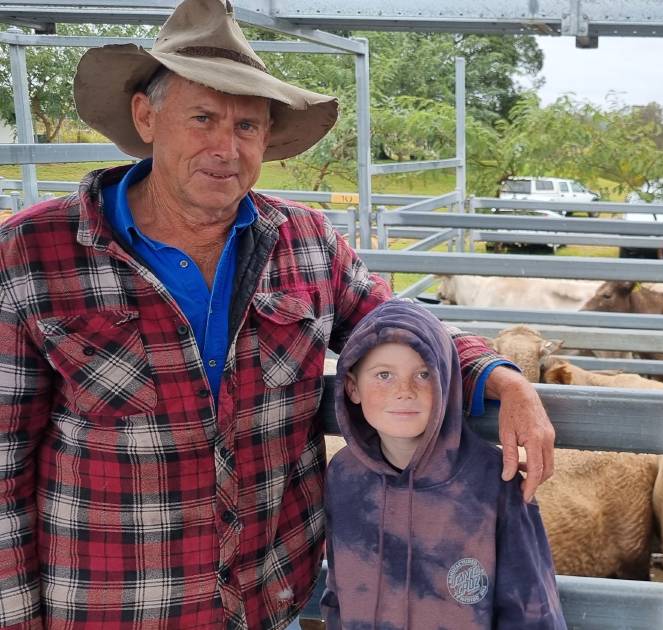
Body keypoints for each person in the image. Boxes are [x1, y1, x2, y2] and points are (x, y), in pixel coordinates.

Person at [0, 0, 555, 627]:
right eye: (203, 117)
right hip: (114, 608)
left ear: (266, 137)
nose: (225, 147)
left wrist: (504, 379)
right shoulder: (33, 252)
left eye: (246, 127)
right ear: (145, 116)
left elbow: (399, 327)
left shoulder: (307, 243)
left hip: (269, 606)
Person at [322, 300, 565, 629]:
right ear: (352, 388)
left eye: (424, 374)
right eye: (383, 375)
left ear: (447, 381)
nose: (404, 391)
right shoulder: (343, 476)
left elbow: (532, 611)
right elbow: (338, 591)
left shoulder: (495, 480)